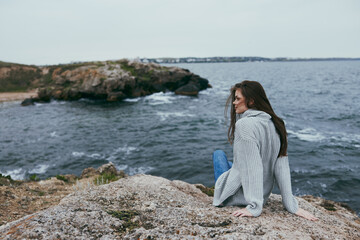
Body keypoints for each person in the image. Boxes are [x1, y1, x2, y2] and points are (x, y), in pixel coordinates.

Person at [212, 80, 318, 221]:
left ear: (251, 101)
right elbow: (281, 167)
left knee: (218, 155)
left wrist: (254, 206)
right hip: (263, 194)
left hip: (240, 196)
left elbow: (254, 166)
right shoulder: (277, 123)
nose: (234, 103)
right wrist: (291, 206)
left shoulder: (244, 124)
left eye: (237, 99)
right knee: (232, 164)